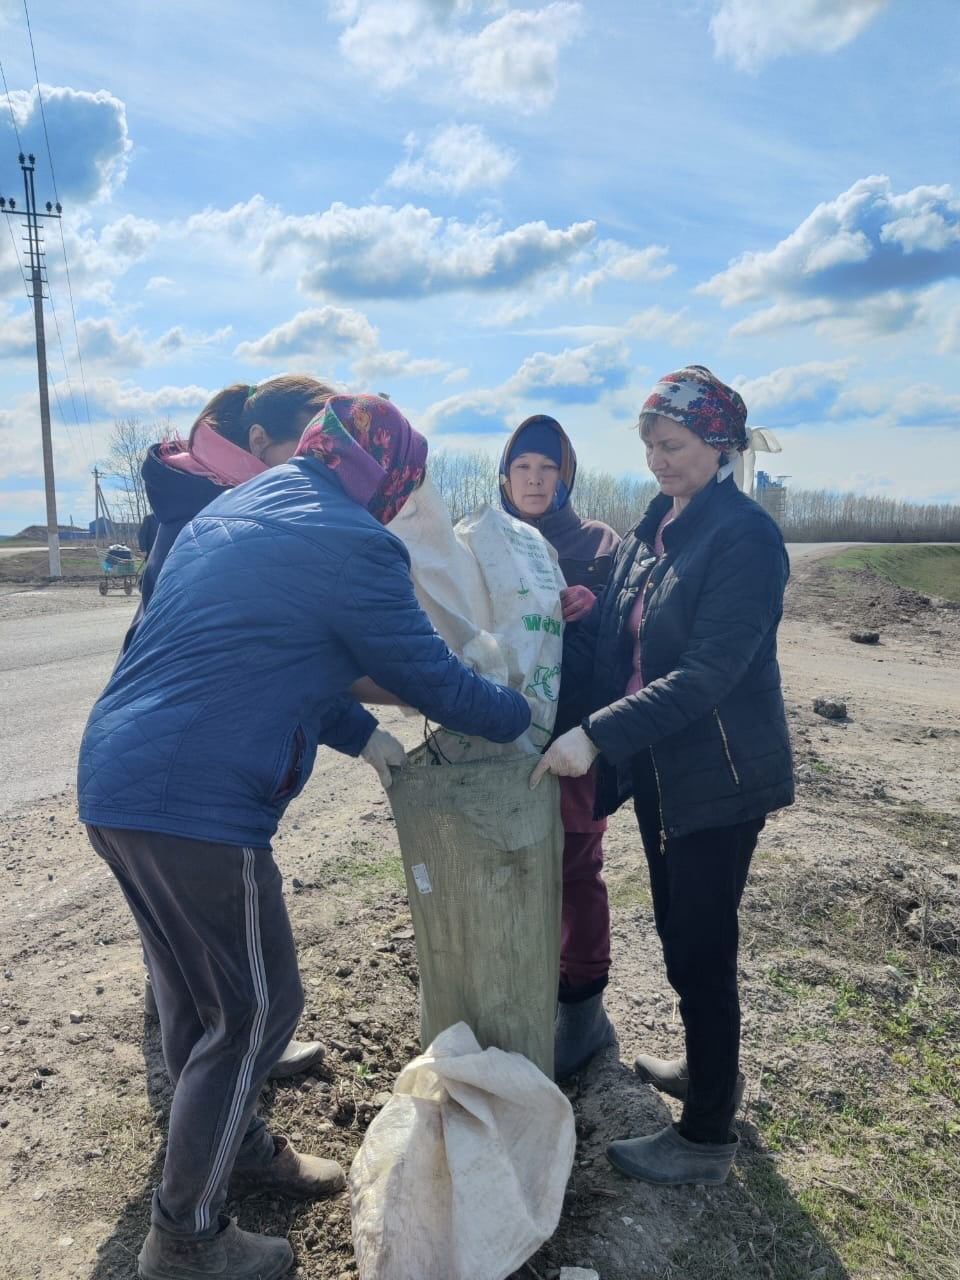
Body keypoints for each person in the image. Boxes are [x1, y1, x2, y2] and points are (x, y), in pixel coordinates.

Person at [78, 394, 531, 1280]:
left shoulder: (239, 510)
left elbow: (273, 659)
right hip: (197, 806)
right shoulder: (353, 542)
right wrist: (524, 707)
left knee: (193, 1000)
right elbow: (429, 676)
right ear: (388, 476)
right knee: (256, 1009)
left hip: (116, 782)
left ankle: (233, 1148)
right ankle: (186, 1241)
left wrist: (364, 736)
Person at [532, 366, 794, 1186]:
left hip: (716, 777)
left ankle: (708, 1137)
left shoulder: (744, 538)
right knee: (683, 937)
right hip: (663, 773)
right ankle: (708, 1073)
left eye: (674, 445)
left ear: (720, 445)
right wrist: (586, 602)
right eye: (649, 444)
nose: (658, 460)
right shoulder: (662, 525)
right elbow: (635, 626)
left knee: (701, 946)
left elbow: (708, 673)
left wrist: (594, 735)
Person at [128, 374, 337, 1081]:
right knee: (209, 956)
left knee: (195, 948)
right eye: (308, 443)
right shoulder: (211, 514)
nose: (321, 461)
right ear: (257, 441)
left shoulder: (216, 500)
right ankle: (220, 1092)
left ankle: (220, 1067)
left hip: (171, 747)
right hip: (183, 755)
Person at [498, 415, 621, 1079]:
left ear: (566, 476)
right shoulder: (487, 543)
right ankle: (520, 989)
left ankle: (582, 1010)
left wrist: (591, 604)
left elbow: (630, 637)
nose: (536, 480)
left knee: (577, 869)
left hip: (574, 733)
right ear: (505, 475)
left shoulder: (599, 542)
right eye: (524, 468)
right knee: (510, 866)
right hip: (502, 733)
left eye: (548, 469)